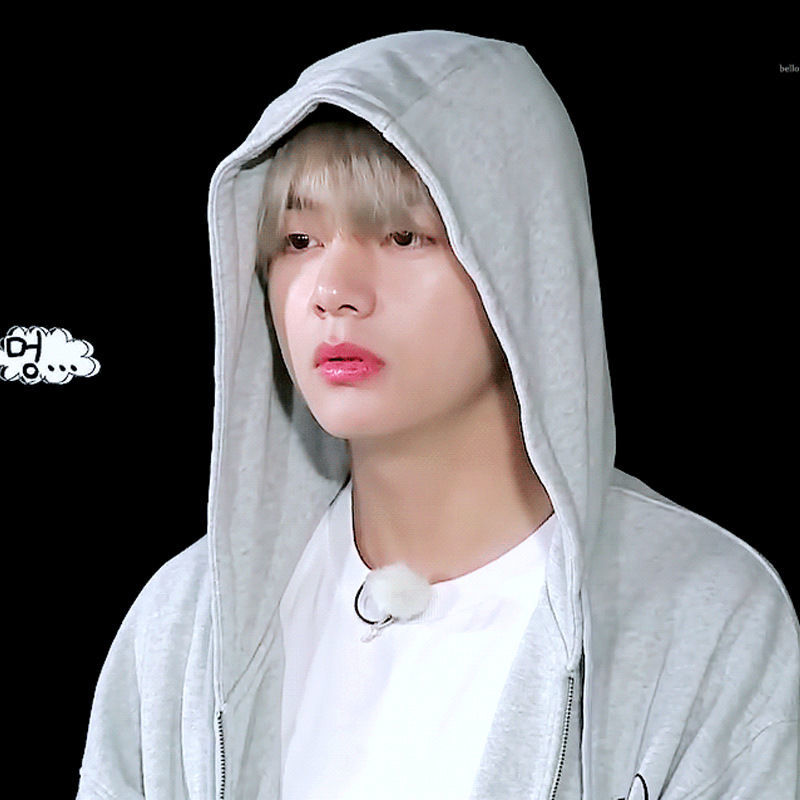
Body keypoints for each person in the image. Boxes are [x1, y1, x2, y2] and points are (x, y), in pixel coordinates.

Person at [77, 30, 799, 799]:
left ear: (524, 263)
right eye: (298, 238)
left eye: (402, 235)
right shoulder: (183, 625)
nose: (332, 291)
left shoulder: (705, 617)